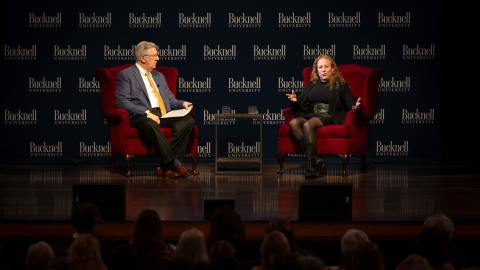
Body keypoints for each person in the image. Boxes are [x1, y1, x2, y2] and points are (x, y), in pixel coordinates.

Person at [116, 40, 194, 178]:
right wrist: (146, 113)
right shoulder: (126, 75)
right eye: (154, 55)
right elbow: (122, 102)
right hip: (141, 116)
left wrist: (182, 104)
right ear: (143, 58)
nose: (157, 58)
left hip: (163, 114)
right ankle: (175, 164)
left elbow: (170, 99)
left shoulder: (159, 76)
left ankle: (163, 167)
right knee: (150, 123)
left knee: (187, 121)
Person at [285, 54, 362, 178]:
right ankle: (314, 159)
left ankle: (310, 167)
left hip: (328, 114)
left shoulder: (341, 85)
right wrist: (295, 100)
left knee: (308, 124)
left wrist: (356, 106)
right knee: (293, 122)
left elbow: (350, 102)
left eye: (326, 66)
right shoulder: (312, 84)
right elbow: (302, 104)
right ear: (317, 70)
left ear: (333, 69)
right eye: (320, 67)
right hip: (311, 113)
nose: (323, 70)